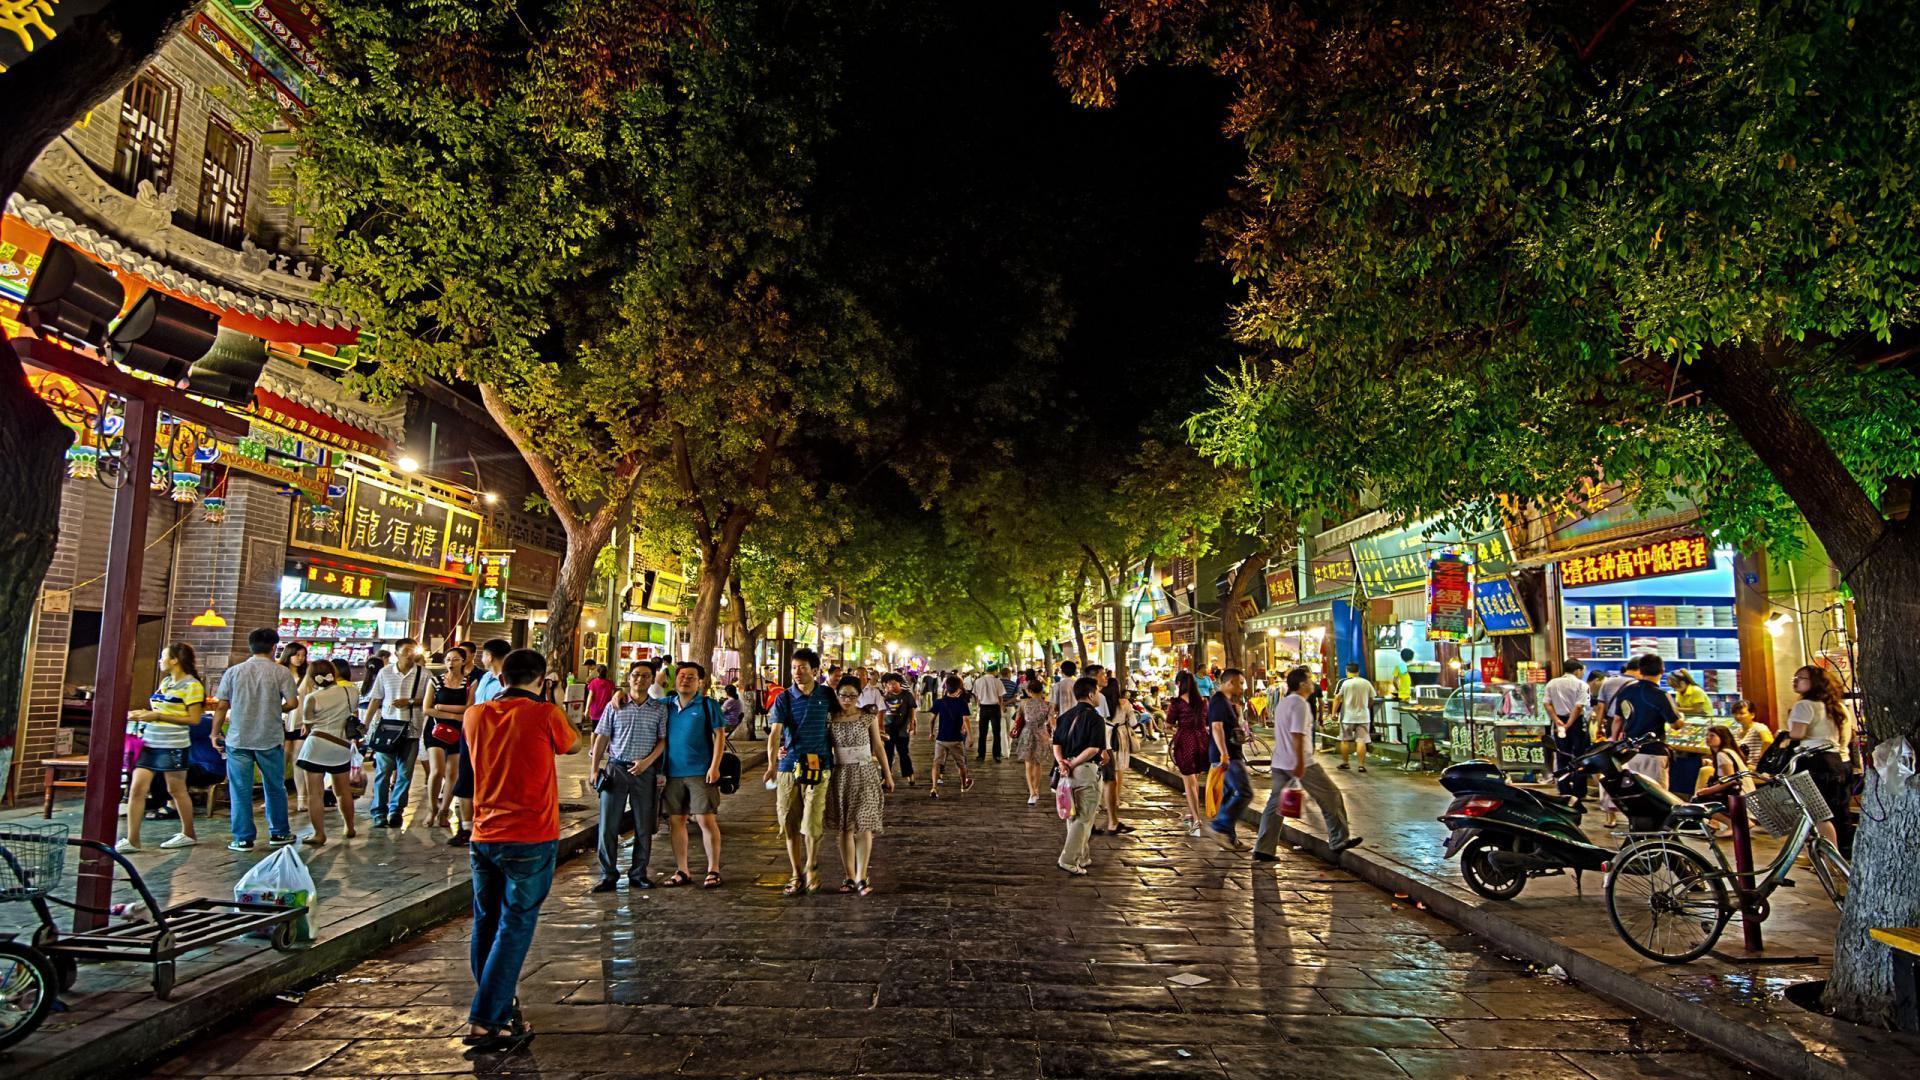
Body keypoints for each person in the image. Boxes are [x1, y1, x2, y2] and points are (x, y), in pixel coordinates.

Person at [461, 648, 582, 1051]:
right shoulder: (546, 714)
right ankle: (487, 1018)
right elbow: (573, 745)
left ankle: (500, 1008)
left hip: (484, 833)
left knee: (487, 921)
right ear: (541, 679)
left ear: (503, 676)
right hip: (530, 833)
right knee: (515, 923)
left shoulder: (475, 714)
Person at [1254, 666, 1360, 860]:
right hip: (1300, 762)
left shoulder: (1284, 703)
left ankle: (1263, 848)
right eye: (1310, 681)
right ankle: (1338, 839)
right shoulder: (1300, 705)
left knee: (1275, 805)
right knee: (1331, 796)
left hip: (1280, 761)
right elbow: (1297, 735)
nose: (1313, 685)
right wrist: (1300, 763)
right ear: (1302, 684)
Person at [213, 627, 300, 851]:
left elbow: (221, 706)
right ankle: (279, 833)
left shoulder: (233, 672)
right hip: (269, 737)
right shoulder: (281, 673)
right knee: (274, 787)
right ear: (274, 647)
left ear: (251, 646)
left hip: (238, 738)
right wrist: (274, 708)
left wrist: (214, 733)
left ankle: (243, 838)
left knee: (240, 789)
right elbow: (292, 703)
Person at [119, 643, 205, 852]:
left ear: (175, 660)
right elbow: (161, 708)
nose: (160, 661)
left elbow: (194, 719)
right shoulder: (166, 682)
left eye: (163, 657)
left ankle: (188, 833)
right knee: (137, 789)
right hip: (150, 742)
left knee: (176, 789)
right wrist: (143, 714)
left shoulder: (192, 686)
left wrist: (156, 715)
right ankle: (132, 839)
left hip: (173, 744)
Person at [590, 662, 667, 892]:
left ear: (652, 679)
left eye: (645, 676)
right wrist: (594, 769)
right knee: (608, 825)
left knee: (643, 825)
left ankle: (639, 873)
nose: (640, 680)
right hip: (615, 768)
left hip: (644, 770)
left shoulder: (659, 709)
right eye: (635, 675)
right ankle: (608, 874)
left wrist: (647, 762)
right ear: (629, 677)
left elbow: (662, 740)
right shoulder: (615, 706)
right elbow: (602, 737)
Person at [766, 648, 837, 896]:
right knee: (789, 821)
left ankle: (812, 865)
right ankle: (796, 873)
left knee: (812, 820)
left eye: (802, 667)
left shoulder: (827, 695)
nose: (797, 672)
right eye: (794, 667)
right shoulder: (784, 699)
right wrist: (772, 764)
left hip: (820, 765)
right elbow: (775, 733)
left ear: (815, 670)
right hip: (789, 767)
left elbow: (840, 720)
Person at [661, 661, 728, 889]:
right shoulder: (666, 705)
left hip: (700, 771)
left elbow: (720, 735)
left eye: (691, 676)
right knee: (676, 820)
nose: (685, 679)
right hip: (673, 772)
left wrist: (714, 766)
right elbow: (640, 697)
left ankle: (713, 869)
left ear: (700, 682)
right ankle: (682, 869)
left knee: (705, 819)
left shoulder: (707, 705)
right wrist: (619, 694)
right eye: (681, 675)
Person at [826, 675, 894, 895]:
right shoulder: (830, 718)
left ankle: (862, 876)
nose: (848, 700)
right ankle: (848, 875)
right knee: (845, 827)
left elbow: (878, 746)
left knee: (864, 825)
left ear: (859, 696)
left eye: (852, 696)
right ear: (837, 695)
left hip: (865, 774)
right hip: (840, 774)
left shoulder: (867, 717)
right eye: (844, 695)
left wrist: (888, 773)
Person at [1786, 665, 1855, 854]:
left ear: (1814, 683)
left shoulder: (1804, 705)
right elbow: (1845, 738)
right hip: (1838, 760)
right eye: (1795, 676)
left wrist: (1786, 735)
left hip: (1813, 761)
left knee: (1817, 812)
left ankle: (1826, 856)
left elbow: (1798, 733)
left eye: (1801, 678)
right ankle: (1843, 853)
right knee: (1839, 811)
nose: (1795, 680)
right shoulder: (1838, 707)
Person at [450, 639, 511, 848]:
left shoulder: (509, 682)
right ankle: (466, 828)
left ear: (490, 656)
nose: (481, 659)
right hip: (471, 737)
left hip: (493, 741)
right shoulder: (484, 678)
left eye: (483, 655)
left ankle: (489, 824)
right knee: (465, 781)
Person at [363, 638, 429, 830]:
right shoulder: (385, 673)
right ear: (397, 652)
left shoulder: (424, 674)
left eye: (413, 650)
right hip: (388, 730)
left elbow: (428, 700)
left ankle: (396, 811)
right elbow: (376, 699)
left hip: (412, 729)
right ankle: (378, 812)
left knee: (405, 773)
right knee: (383, 772)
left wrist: (409, 701)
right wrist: (365, 724)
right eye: (406, 650)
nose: (410, 653)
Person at [294, 659, 360, 845]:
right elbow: (353, 713)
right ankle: (349, 826)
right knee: (343, 791)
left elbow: (307, 724)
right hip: (340, 746)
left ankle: (319, 834)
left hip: (316, 746)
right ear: (334, 672)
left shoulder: (313, 697)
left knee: (315, 794)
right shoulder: (351, 690)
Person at [1053, 676, 1107, 876]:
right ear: (1091, 694)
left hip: (1067, 772)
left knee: (1073, 815)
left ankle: (1082, 855)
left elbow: (1056, 743)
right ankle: (1068, 859)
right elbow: (1094, 748)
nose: (1099, 695)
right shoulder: (1095, 718)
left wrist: (1063, 763)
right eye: (1098, 691)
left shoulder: (1065, 716)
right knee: (1084, 818)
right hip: (1085, 770)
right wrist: (1073, 763)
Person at [1610, 654, 1679, 801]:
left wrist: (1614, 743)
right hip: (1654, 752)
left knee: (1633, 795)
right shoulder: (1661, 695)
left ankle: (1636, 824)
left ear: (1640, 671)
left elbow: (1617, 720)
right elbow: (1675, 724)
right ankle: (1657, 824)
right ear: (1662, 670)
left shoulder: (1626, 691)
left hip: (1629, 752)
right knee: (1658, 796)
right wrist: (1681, 717)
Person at [423, 646, 475, 830]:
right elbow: (427, 708)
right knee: (437, 770)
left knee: (453, 773)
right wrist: (453, 715)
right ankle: (432, 808)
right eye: (448, 660)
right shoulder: (435, 681)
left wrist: (441, 707)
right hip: (436, 729)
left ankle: (444, 810)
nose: (451, 663)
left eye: (455, 659)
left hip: (459, 731)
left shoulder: (469, 683)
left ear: (463, 661)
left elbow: (469, 707)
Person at [1203, 668, 1254, 850]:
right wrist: (1224, 754)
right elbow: (1216, 727)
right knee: (1244, 792)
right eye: (1240, 683)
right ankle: (1219, 826)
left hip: (1230, 754)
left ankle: (1230, 838)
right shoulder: (1218, 700)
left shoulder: (1226, 702)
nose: (1242, 687)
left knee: (1229, 794)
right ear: (1229, 682)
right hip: (1228, 756)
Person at [1166, 670, 1210, 837]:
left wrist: (1174, 726)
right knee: (1194, 780)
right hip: (1202, 741)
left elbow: (1168, 724)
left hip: (1185, 741)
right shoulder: (1203, 701)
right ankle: (1192, 813)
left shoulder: (1177, 703)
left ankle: (1197, 819)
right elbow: (1206, 721)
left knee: (1189, 783)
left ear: (1179, 684)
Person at [1690, 725, 1751, 837]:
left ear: (1723, 737)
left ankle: (1732, 824)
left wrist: (1708, 791)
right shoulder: (1730, 752)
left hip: (1738, 793)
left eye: (1712, 735)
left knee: (1698, 800)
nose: (1708, 738)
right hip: (1742, 791)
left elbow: (1731, 780)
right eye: (1707, 735)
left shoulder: (1722, 754)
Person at [1544, 659, 1591, 795]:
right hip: (1576, 723)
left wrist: (1557, 720)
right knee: (1580, 756)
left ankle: (1563, 788)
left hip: (1559, 722)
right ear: (1577, 670)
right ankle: (1579, 790)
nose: (1583, 673)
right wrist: (1569, 723)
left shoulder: (1552, 683)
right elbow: (1579, 706)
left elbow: (1547, 704)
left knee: (1562, 754)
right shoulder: (1582, 684)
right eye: (1583, 670)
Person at [927, 674, 975, 798]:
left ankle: (934, 788)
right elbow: (966, 720)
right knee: (961, 764)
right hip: (956, 739)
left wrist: (931, 732)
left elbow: (932, 719)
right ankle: (963, 785)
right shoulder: (961, 702)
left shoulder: (939, 702)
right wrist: (970, 737)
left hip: (941, 739)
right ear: (959, 689)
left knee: (936, 763)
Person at [1011, 677, 1055, 805]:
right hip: (1042, 734)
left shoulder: (1024, 703)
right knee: (1038, 764)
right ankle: (1036, 789)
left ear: (1029, 691)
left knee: (1028, 765)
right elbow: (1052, 723)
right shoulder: (1047, 705)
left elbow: (1017, 720)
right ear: (1042, 691)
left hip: (1027, 734)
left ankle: (1032, 792)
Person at [1097, 687, 1134, 835]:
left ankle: (1103, 801)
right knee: (1119, 770)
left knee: (1107, 772)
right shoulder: (1125, 703)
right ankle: (1116, 799)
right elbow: (1133, 721)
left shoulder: (1100, 703)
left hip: (1106, 736)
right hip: (1121, 736)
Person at [279, 641, 311, 804]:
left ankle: (301, 798)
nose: (300, 658)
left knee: (298, 758)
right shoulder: (279, 672)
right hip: (282, 720)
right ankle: (277, 795)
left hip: (300, 720)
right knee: (281, 759)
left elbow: (311, 698)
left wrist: (309, 720)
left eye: (303, 655)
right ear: (288, 655)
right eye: (297, 655)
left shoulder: (307, 675)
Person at [1332, 664, 1375, 773]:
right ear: (1358, 671)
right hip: (1363, 716)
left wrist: (1333, 713)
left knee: (1345, 740)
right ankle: (1361, 765)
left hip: (1347, 716)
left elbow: (1337, 698)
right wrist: (1366, 708)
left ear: (1347, 671)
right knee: (1361, 741)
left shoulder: (1345, 683)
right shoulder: (1366, 683)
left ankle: (1345, 763)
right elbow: (1371, 699)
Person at [879, 672, 919, 788]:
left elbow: (912, 709)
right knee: (887, 754)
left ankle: (909, 774)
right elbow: (880, 711)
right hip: (888, 729)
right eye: (889, 684)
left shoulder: (907, 695)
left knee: (903, 753)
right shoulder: (884, 697)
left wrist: (912, 723)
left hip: (902, 729)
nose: (892, 686)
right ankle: (886, 777)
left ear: (899, 683)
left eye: (894, 684)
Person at [970, 664, 1005, 762]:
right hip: (995, 708)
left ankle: (981, 755)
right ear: (995, 671)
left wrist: (978, 705)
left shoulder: (978, 681)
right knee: (996, 733)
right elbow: (1000, 697)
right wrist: (1001, 707)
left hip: (983, 708)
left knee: (982, 733)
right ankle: (996, 755)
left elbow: (976, 696)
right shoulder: (998, 682)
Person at [1732, 699, 1773, 767]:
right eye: (1735, 713)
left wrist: (1762, 762)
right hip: (1742, 768)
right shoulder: (1735, 732)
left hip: (1756, 769)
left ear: (1752, 715)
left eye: (1742, 713)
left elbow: (1768, 741)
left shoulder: (1759, 727)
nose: (1737, 716)